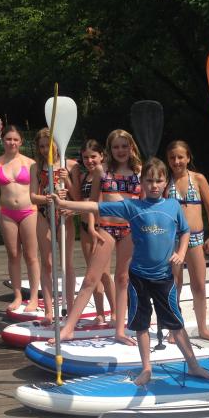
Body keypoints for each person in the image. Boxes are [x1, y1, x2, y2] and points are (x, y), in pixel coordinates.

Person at [51, 157, 209, 387]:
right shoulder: (132, 207)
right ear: (141, 182)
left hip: (163, 278)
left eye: (158, 181)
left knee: (176, 323)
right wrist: (64, 204)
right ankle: (146, 368)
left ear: (165, 182)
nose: (154, 185)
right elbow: (95, 206)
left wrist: (181, 252)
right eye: (149, 181)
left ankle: (193, 365)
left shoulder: (172, 206)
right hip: (139, 278)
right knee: (141, 325)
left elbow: (185, 230)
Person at [88, 129, 142, 345]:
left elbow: (146, 203)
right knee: (91, 278)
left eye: (124, 146)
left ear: (131, 147)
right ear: (109, 149)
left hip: (130, 230)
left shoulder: (139, 170)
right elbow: (93, 202)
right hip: (106, 228)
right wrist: (92, 227)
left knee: (123, 279)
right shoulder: (102, 170)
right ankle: (69, 327)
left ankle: (120, 329)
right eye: (116, 146)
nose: (120, 150)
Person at [165, 140, 209, 342]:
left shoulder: (198, 179)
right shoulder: (166, 181)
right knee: (175, 284)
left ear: (188, 158)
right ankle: (174, 328)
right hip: (173, 239)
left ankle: (202, 328)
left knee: (199, 285)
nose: (176, 161)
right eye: (172, 158)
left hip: (196, 238)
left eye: (180, 157)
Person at [0, 124, 39, 312]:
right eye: (8, 139)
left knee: (31, 256)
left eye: (15, 139)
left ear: (21, 141)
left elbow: (37, 190)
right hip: (7, 213)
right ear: (2, 140)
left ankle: (33, 297)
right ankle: (17, 296)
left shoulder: (31, 163)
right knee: (13, 255)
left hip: (29, 211)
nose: (12, 142)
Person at [29, 128, 75, 324]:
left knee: (66, 263)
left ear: (56, 143)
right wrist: (47, 198)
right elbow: (33, 197)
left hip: (64, 215)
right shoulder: (36, 167)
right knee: (47, 263)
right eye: (41, 146)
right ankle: (49, 311)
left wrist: (67, 180)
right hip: (44, 214)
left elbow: (77, 197)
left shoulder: (70, 165)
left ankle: (71, 308)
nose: (44, 149)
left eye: (48, 145)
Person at [71, 139, 116, 326]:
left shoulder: (105, 175)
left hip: (100, 228)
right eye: (85, 157)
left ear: (102, 156)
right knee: (92, 272)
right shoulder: (83, 177)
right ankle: (100, 313)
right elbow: (78, 199)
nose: (89, 161)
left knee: (104, 273)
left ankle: (115, 312)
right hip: (85, 227)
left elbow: (101, 202)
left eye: (93, 157)